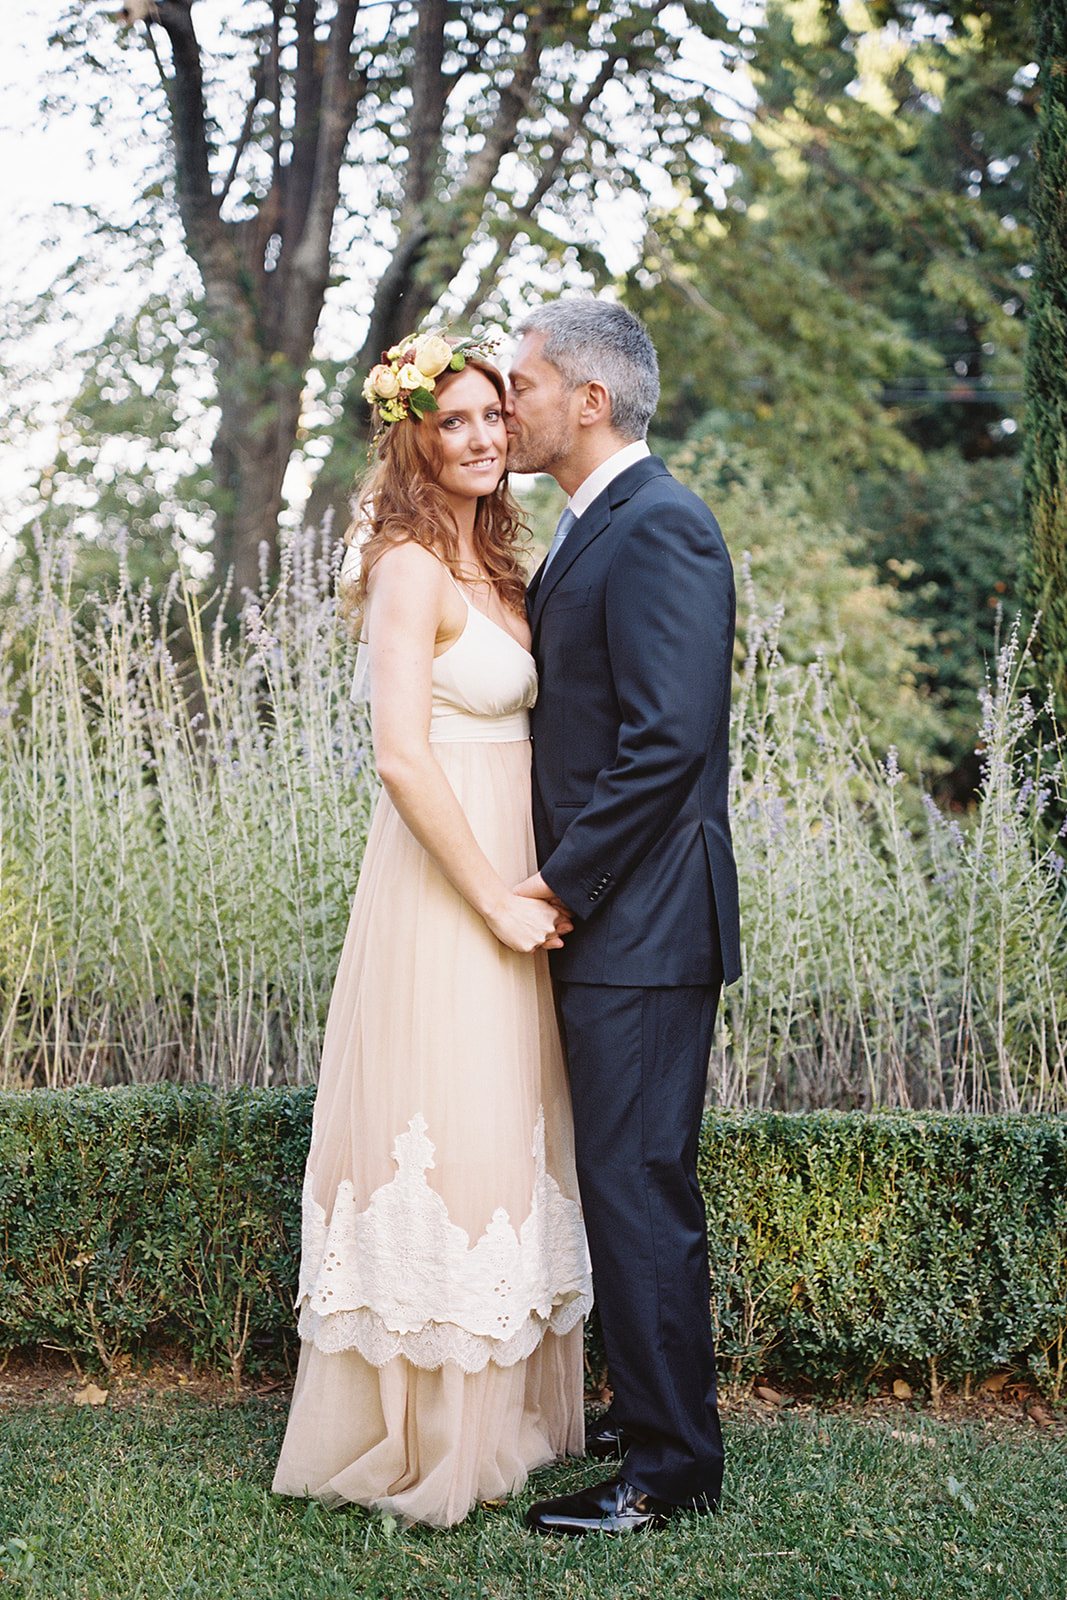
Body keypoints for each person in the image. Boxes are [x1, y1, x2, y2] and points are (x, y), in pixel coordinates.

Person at [272, 334, 593, 1529]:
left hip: (522, 864)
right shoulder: (407, 563)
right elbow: (402, 756)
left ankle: (507, 1405)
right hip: (449, 879)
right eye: (451, 421)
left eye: (492, 417)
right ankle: (426, 1429)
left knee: (511, 1121)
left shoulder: (503, 560)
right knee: (447, 1121)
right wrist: (497, 895)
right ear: (414, 437)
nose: (480, 438)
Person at [505, 298, 742, 1536]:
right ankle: (652, 1405)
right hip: (617, 921)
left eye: (523, 383)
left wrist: (553, 886)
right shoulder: (589, 528)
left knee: (638, 1183)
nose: (508, 403)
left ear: (586, 400)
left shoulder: (662, 527)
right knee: (617, 1176)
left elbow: (664, 745)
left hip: (641, 924)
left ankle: (670, 1467)